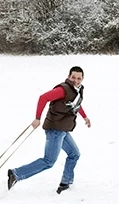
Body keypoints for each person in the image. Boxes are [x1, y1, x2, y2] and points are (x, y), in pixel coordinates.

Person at [7, 66, 91, 194]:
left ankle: (65, 183)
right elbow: (43, 98)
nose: (76, 80)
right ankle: (16, 174)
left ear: (82, 79)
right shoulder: (62, 90)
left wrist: (85, 117)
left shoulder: (76, 90)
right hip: (55, 130)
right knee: (49, 161)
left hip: (63, 130)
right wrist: (37, 118)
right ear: (69, 77)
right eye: (73, 77)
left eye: (79, 78)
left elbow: (75, 104)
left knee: (74, 154)